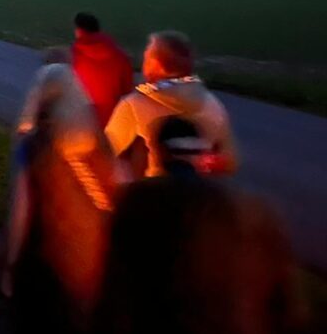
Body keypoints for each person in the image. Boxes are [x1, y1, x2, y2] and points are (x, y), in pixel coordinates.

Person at [95, 117, 305, 334]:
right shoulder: (246, 208)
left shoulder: (135, 201)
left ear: (158, 152)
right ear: (200, 154)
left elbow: (113, 286)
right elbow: (283, 298)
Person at [4, 64, 122, 334]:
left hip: (43, 262)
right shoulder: (100, 141)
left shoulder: (34, 145)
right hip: (89, 268)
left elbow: (21, 213)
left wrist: (10, 266)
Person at [105, 31, 239, 179]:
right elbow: (230, 162)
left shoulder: (135, 104)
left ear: (156, 65)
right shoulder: (213, 104)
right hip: (199, 193)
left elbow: (106, 153)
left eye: (146, 58)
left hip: (155, 193)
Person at [70, 12, 133, 128]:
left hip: (82, 122)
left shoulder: (75, 56)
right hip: (114, 120)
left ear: (79, 31)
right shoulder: (120, 56)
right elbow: (127, 90)